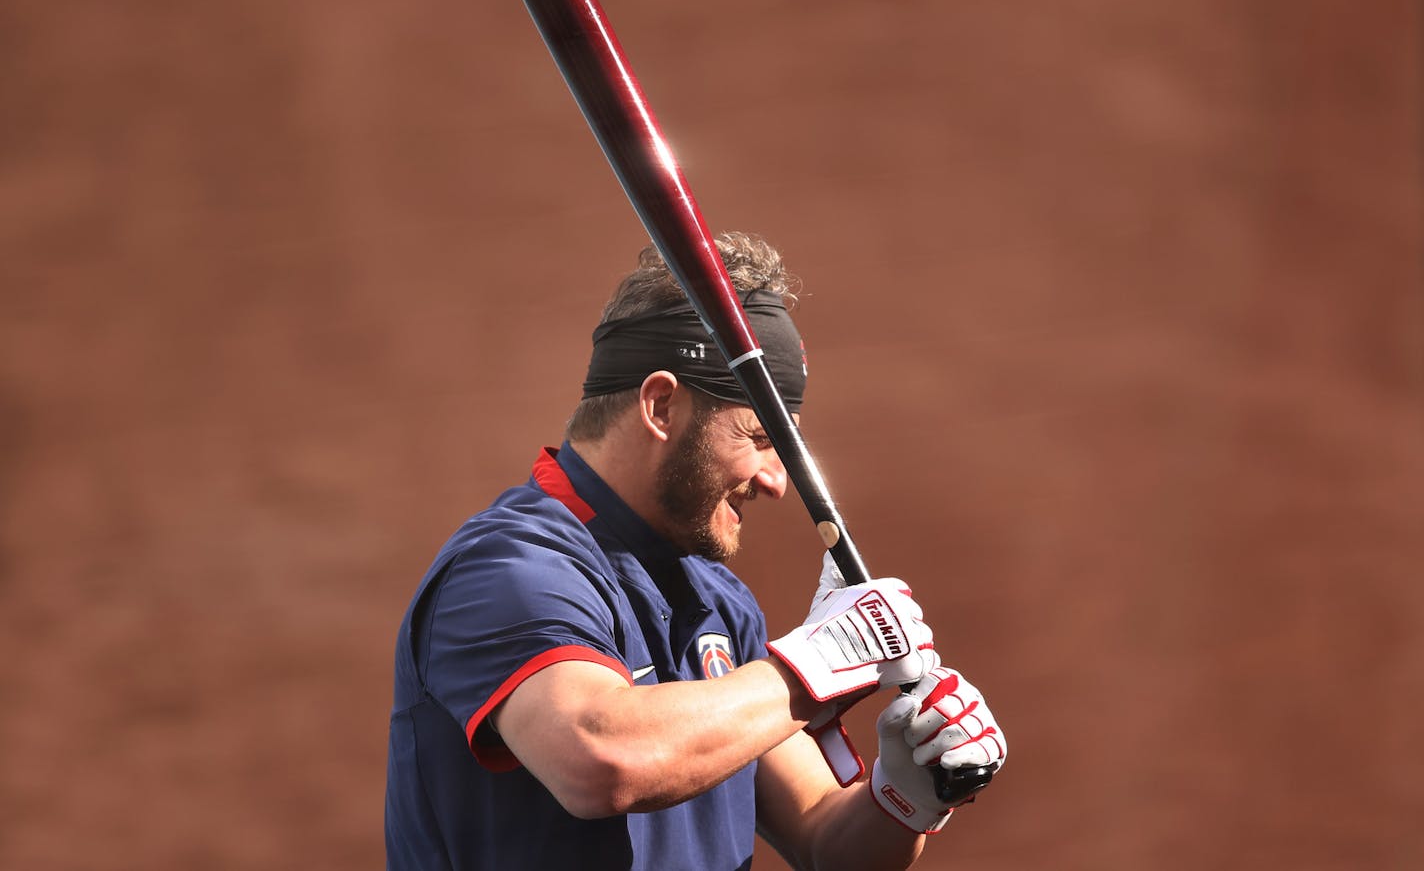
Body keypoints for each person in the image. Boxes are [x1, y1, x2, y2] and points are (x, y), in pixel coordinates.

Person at [384, 232, 1006, 870]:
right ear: (660, 406)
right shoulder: (507, 569)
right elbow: (601, 761)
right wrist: (815, 667)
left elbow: (824, 838)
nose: (775, 480)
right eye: (758, 438)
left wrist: (903, 798)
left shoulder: (718, 600)